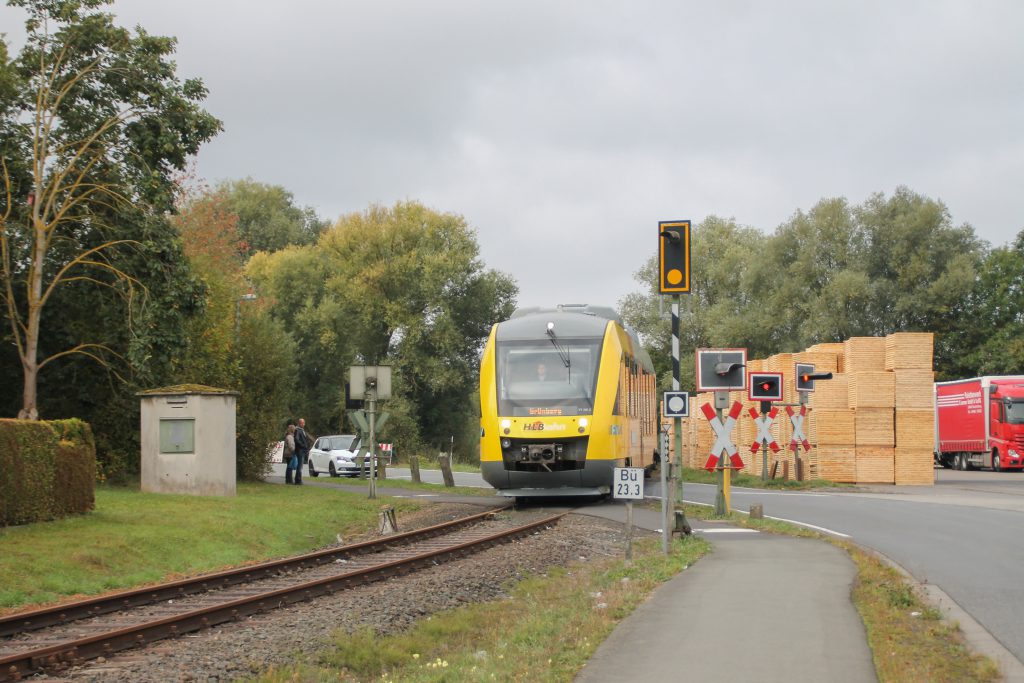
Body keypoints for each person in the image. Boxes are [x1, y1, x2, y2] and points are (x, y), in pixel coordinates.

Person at [293, 418, 311, 485]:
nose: (304, 424)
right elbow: (297, 440)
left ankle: (298, 479)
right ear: (299, 423)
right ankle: (298, 480)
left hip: (303, 450)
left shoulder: (302, 430)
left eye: (304, 423)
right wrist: (303, 445)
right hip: (300, 450)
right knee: (300, 466)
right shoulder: (298, 430)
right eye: (303, 423)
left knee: (300, 466)